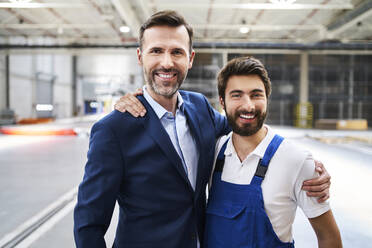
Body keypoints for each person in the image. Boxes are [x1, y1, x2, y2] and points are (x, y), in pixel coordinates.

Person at [74, 10, 331, 248]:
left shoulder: (200, 107)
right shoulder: (114, 129)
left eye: (176, 52)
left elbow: (246, 125)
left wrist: (305, 165)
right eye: (156, 51)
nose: (166, 62)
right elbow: (89, 224)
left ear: (190, 58)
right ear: (140, 56)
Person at [203, 56, 342, 247]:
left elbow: (329, 238)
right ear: (222, 101)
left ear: (267, 98)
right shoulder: (213, 151)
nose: (248, 106)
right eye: (236, 95)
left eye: (256, 95)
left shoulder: (296, 159)